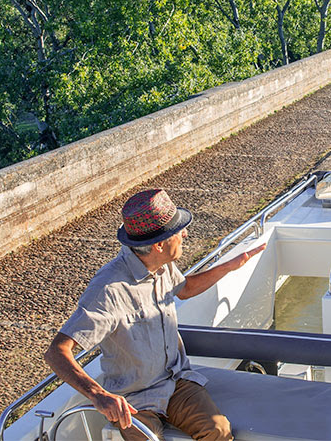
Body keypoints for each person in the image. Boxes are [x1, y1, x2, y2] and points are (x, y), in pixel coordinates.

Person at [45, 188, 266, 441]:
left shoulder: (162, 265)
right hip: (133, 398)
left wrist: (230, 265)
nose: (185, 234)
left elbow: (185, 289)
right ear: (159, 244)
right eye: (178, 231)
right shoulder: (108, 291)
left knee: (218, 431)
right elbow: (56, 352)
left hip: (176, 382)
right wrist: (98, 395)